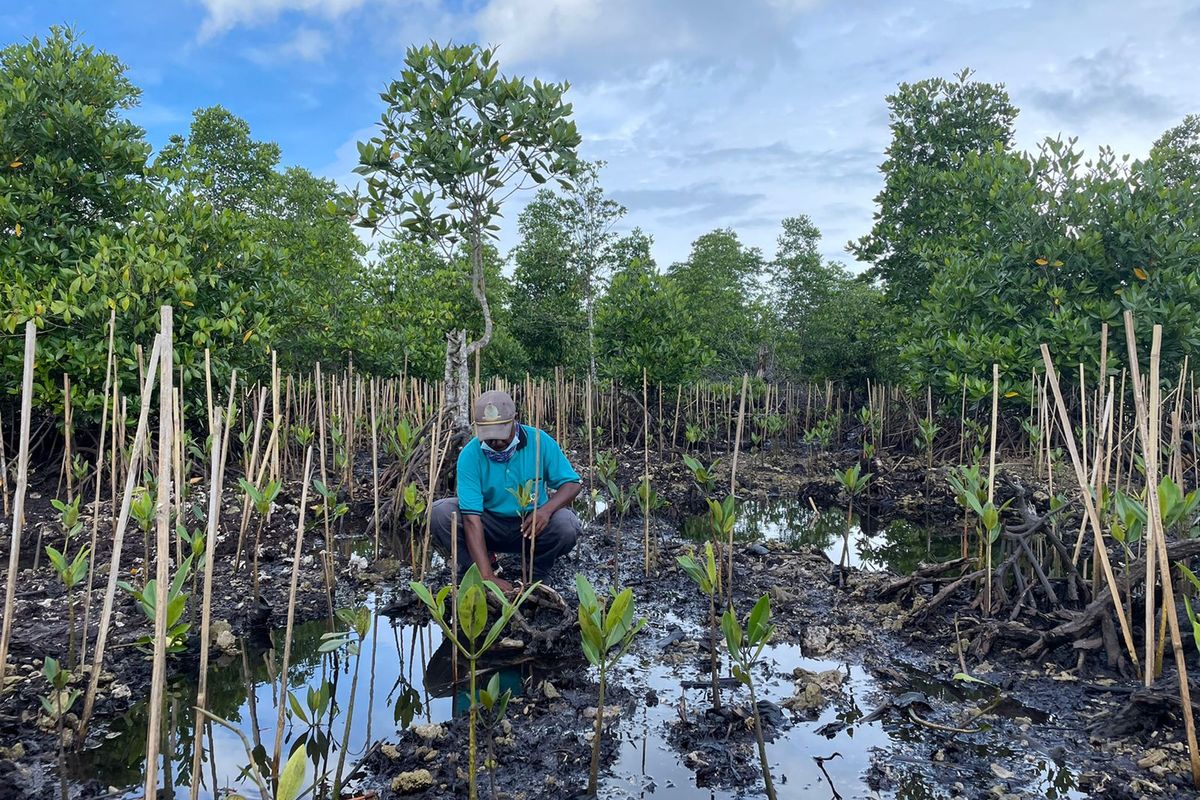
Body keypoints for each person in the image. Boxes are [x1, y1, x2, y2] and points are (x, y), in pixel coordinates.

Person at [431, 390, 582, 592]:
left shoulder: (540, 441)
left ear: (515, 420)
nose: (497, 442)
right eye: (489, 437)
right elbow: (471, 518)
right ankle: (479, 568)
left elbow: (572, 484)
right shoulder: (470, 455)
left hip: (531, 525)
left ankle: (535, 574)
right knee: (440, 513)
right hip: (490, 526)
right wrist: (487, 577)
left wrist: (546, 511)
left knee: (567, 524)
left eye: (501, 434)